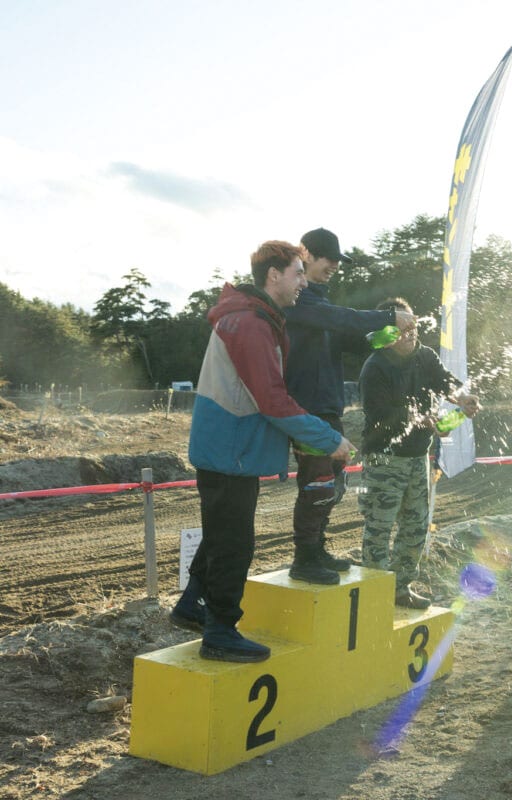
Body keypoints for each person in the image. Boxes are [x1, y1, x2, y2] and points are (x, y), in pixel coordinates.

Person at [171, 241, 355, 663]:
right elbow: (272, 400)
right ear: (274, 275)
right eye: (297, 273)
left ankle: (192, 605)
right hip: (231, 449)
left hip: (228, 447)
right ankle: (221, 632)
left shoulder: (250, 317)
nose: (303, 283)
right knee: (234, 543)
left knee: (221, 534)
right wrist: (329, 439)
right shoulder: (251, 324)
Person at [283, 227, 410, 584]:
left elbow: (347, 339)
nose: (335, 265)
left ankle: (316, 548)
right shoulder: (300, 302)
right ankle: (304, 558)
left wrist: (379, 339)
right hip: (307, 407)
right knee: (317, 483)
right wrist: (387, 318)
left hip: (327, 406)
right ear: (306, 254)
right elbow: (340, 318)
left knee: (331, 481)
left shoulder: (320, 306)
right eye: (330, 258)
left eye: (338, 260)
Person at [357, 297, 480, 609]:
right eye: (403, 326)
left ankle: (400, 588)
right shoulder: (375, 368)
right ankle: (373, 596)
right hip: (384, 459)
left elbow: (445, 381)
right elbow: (382, 416)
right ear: (387, 331)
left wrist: (462, 398)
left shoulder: (425, 356)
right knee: (379, 529)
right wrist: (423, 420)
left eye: (413, 324)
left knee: (415, 529)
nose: (411, 331)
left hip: (417, 458)